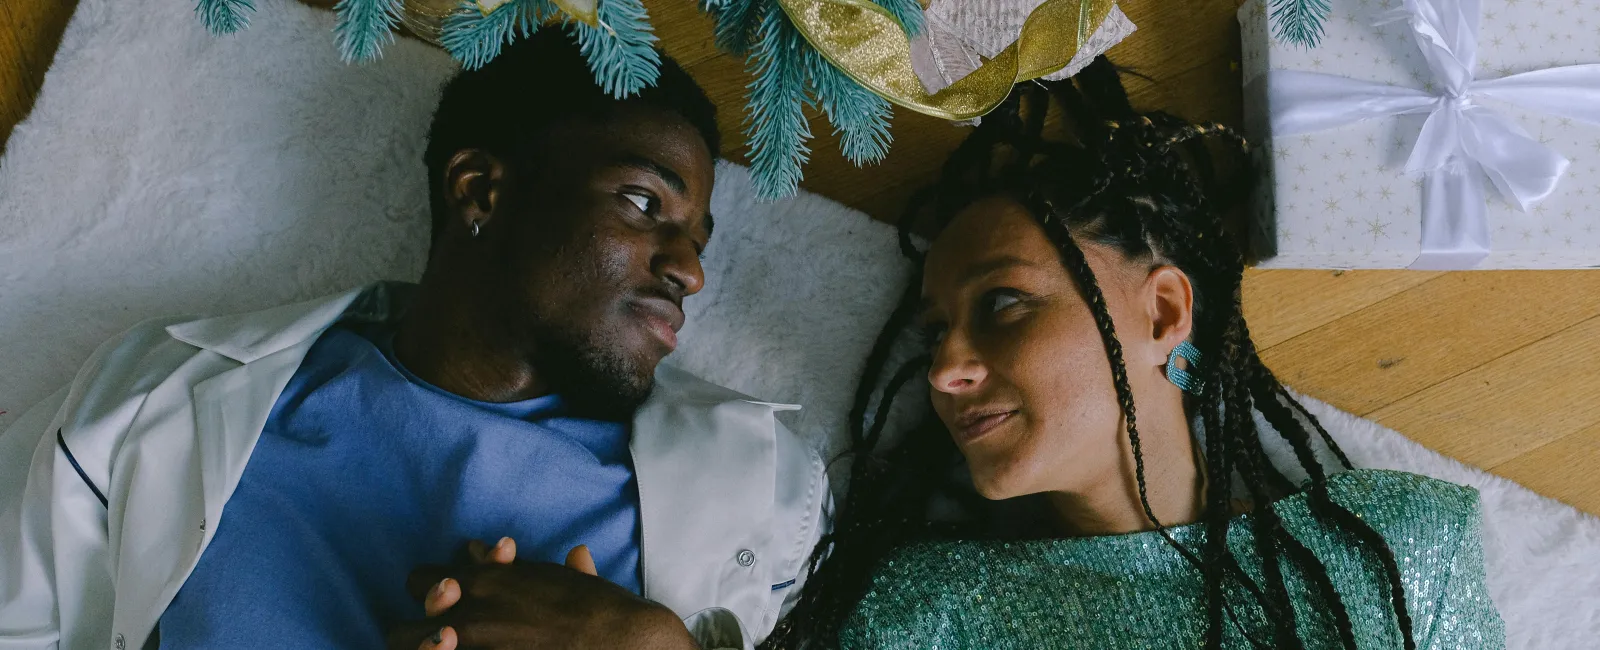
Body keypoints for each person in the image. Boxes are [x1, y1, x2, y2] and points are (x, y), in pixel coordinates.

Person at [0, 29, 828, 650]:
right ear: (481, 191)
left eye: (699, 237)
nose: (690, 270)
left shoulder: (767, 491)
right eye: (645, 204)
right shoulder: (159, 400)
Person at [762, 60, 1504, 649]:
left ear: (1163, 311)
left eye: (1001, 304)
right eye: (934, 334)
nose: (943, 371)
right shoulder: (920, 616)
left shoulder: (1397, 550)